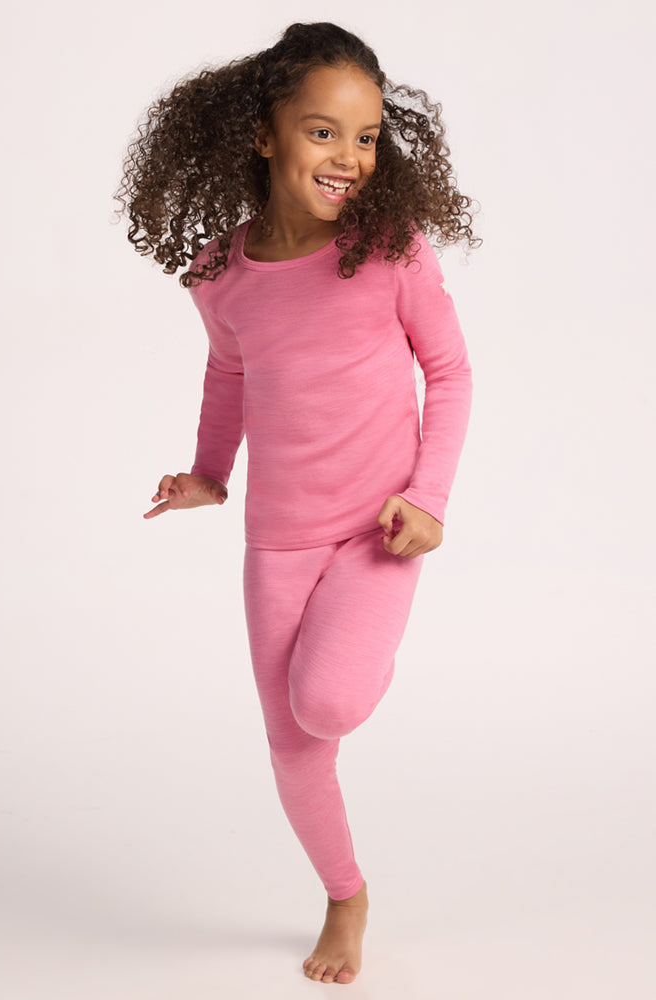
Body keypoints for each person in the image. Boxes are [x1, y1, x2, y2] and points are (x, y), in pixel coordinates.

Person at [116, 21, 480, 985]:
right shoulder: (220, 274)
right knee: (292, 753)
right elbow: (229, 375)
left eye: (365, 139)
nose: (350, 159)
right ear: (263, 134)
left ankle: (364, 641)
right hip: (277, 540)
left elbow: (448, 373)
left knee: (325, 701)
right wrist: (207, 472)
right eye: (324, 133)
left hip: (379, 531)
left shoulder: (390, 248)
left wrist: (428, 497)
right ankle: (346, 895)